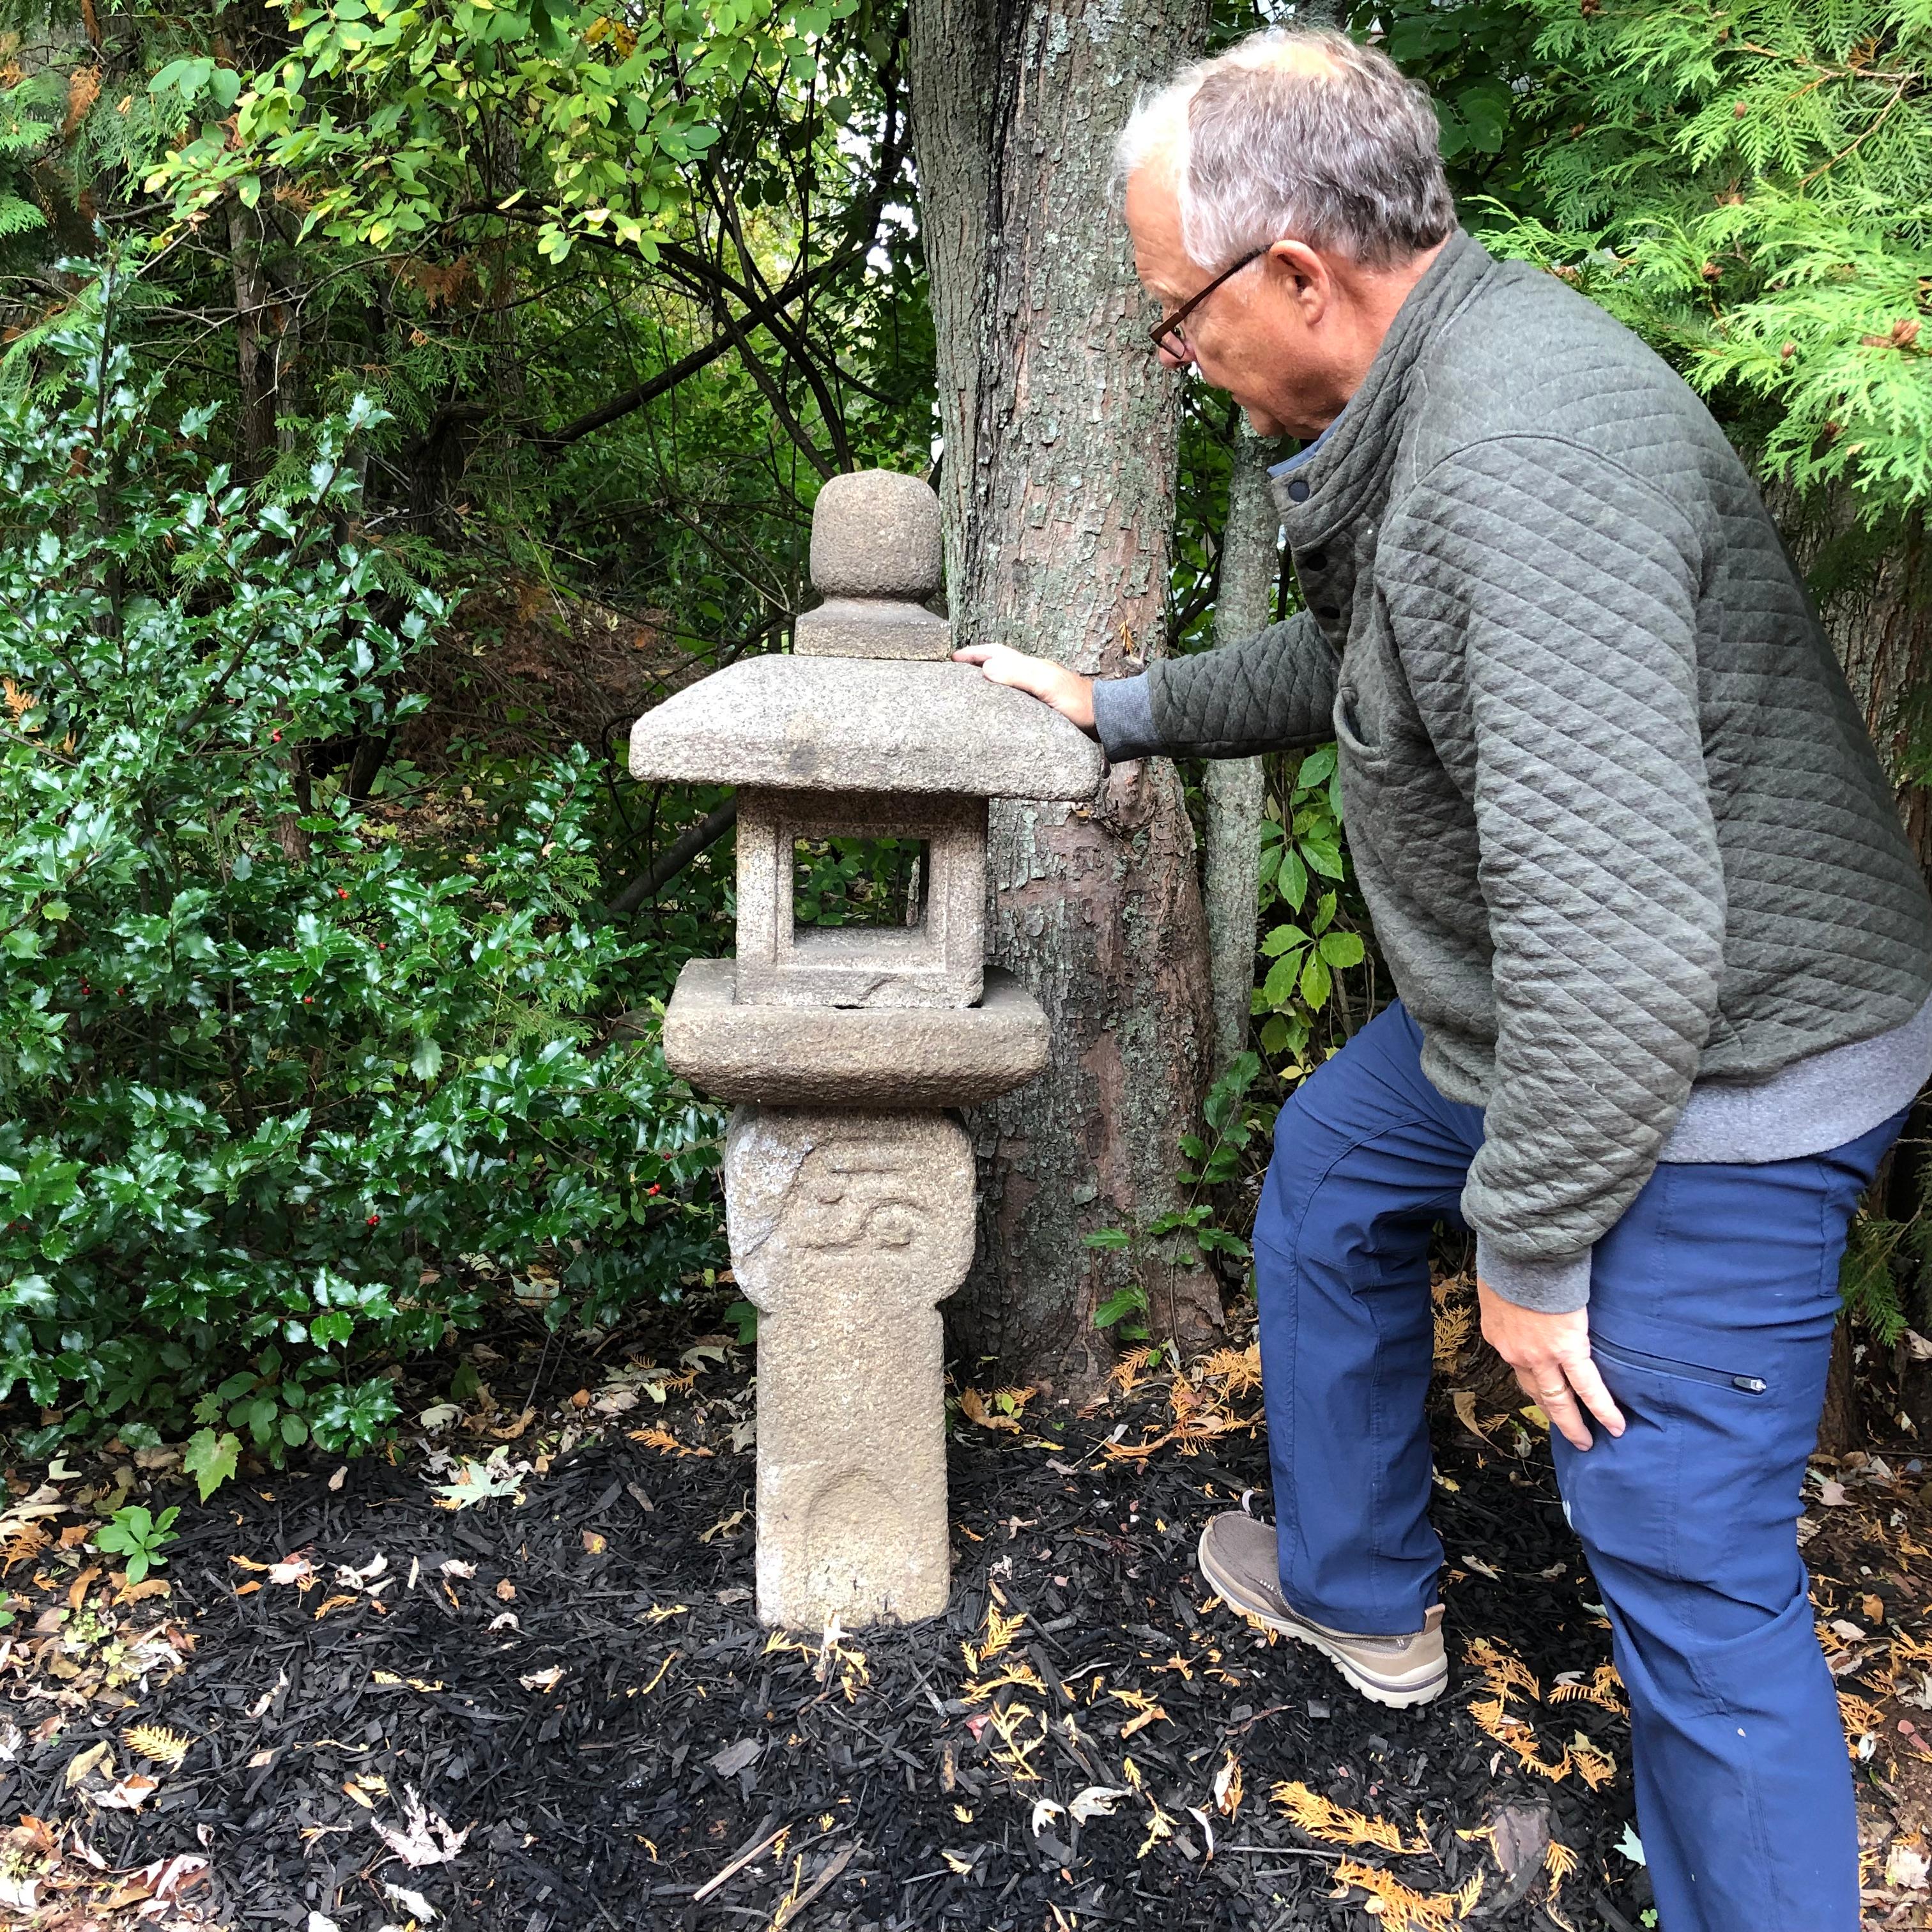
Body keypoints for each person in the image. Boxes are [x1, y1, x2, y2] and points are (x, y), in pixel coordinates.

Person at [955, 27, 1932, 1932]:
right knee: (1335, 1165)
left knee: (1685, 1561)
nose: (1177, 360)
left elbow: (1633, 944)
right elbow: (1375, 674)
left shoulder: (1512, 461)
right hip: (1563, 1010)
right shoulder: (1432, 402)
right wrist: (1121, 711)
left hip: (1727, 1063)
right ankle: (1359, 1592)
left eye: (1177, 318)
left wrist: (1537, 1253)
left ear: (1302, 277)